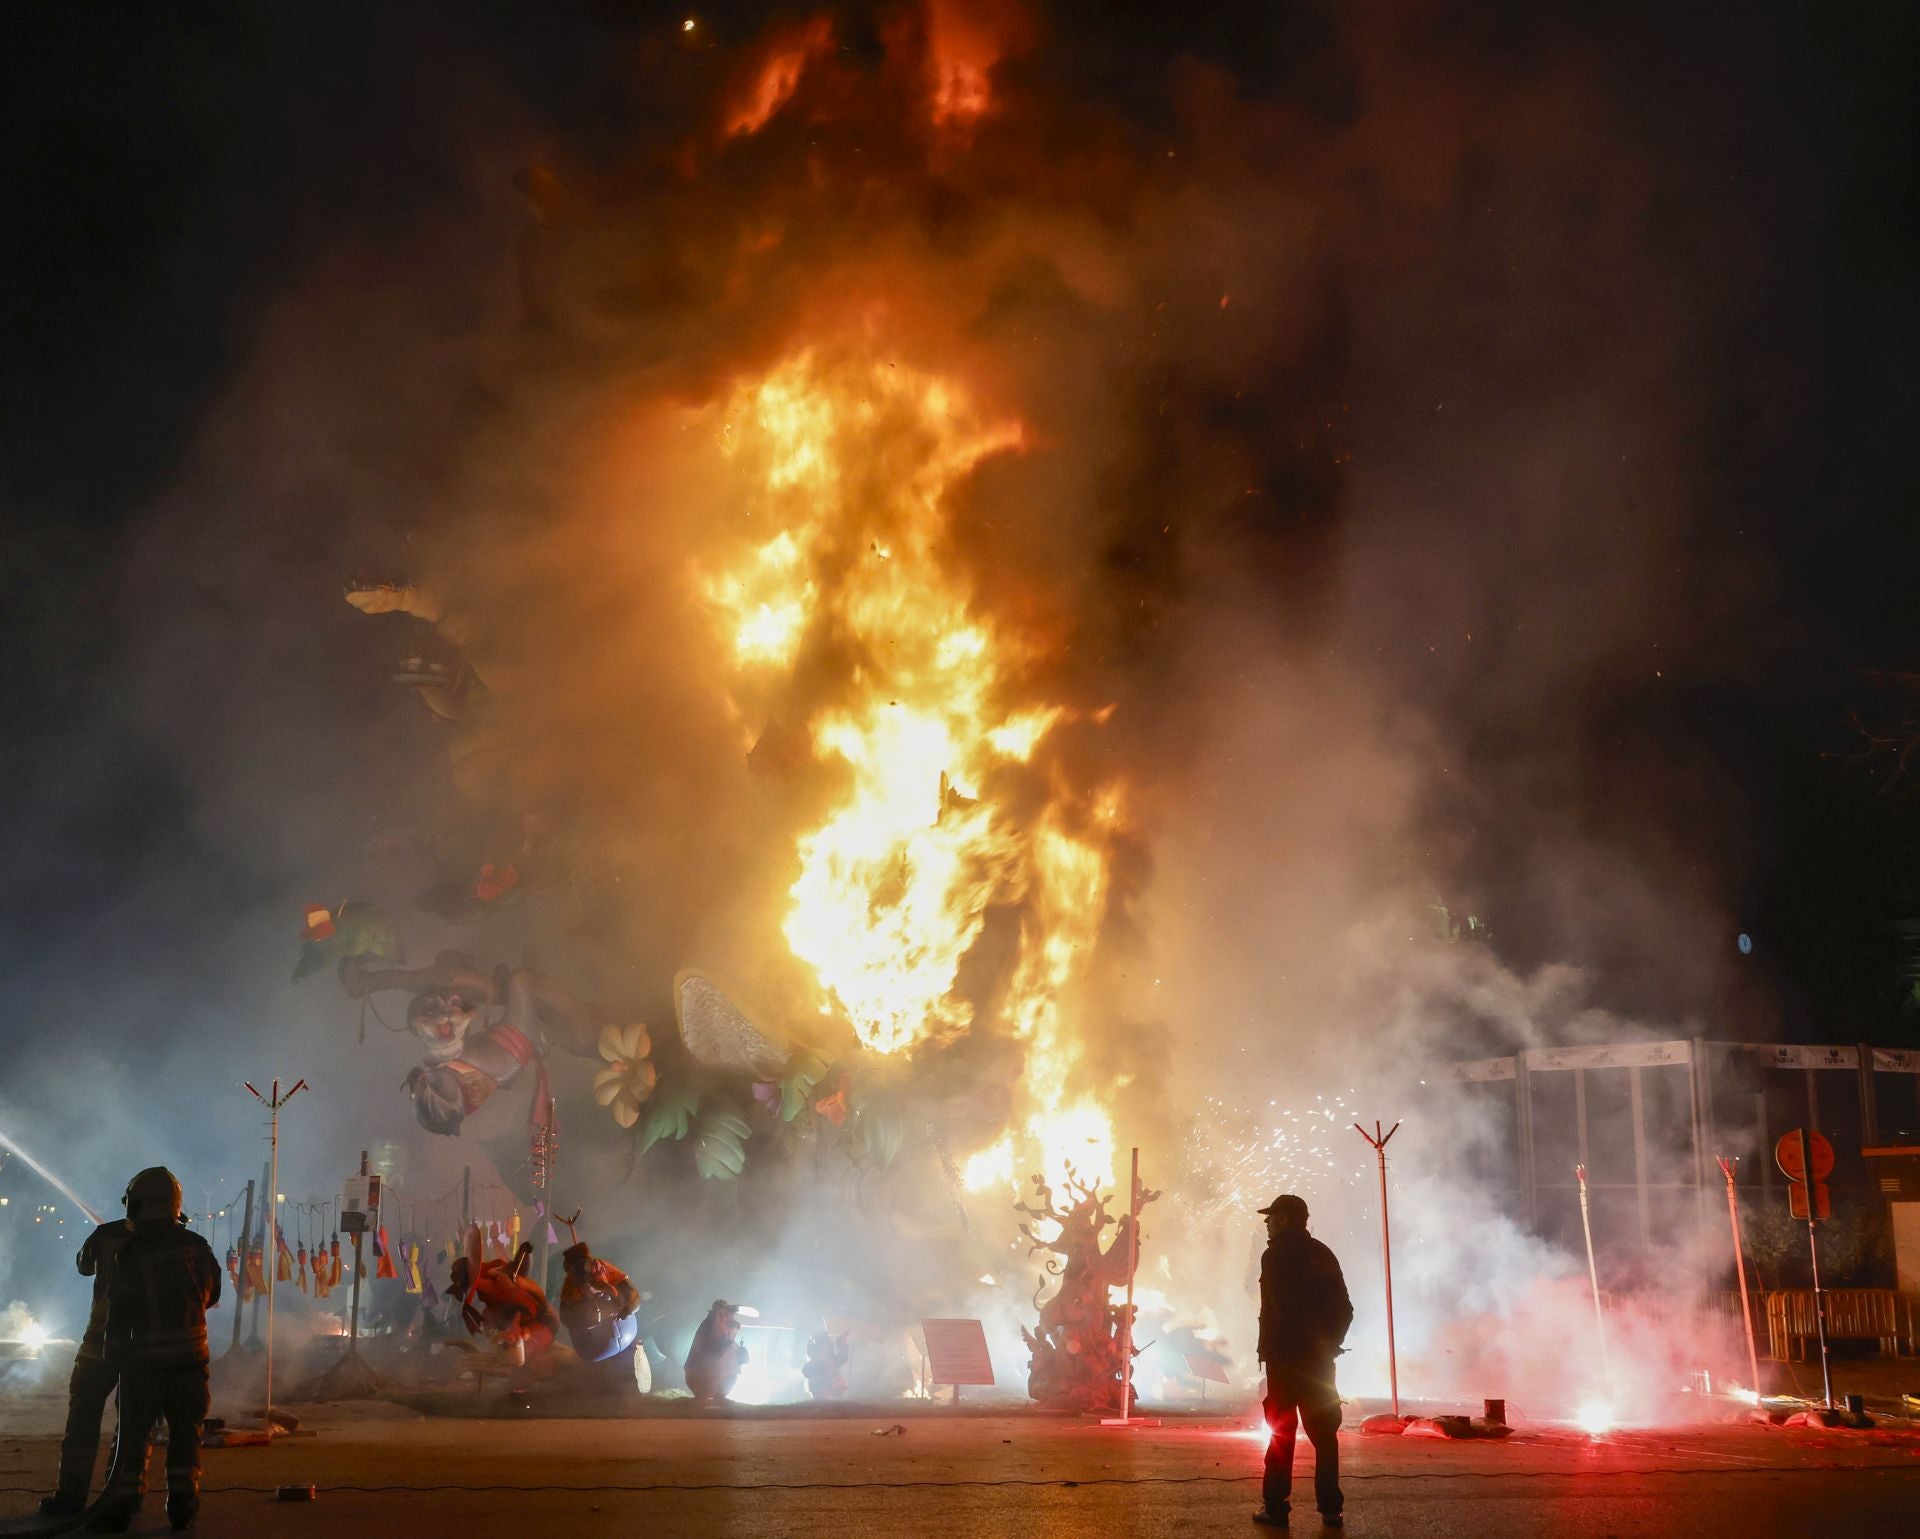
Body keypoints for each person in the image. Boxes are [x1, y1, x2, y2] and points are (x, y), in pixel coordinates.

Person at [89, 1167, 222, 1534]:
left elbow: (120, 1310)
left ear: (139, 1205)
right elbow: (213, 1296)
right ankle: (183, 1505)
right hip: (192, 1364)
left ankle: (121, 1505)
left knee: (132, 1438)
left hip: (144, 1365)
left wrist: (113, 1352)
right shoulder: (197, 1247)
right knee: (186, 1435)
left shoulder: (133, 1252)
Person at [1253, 1194, 1352, 1530]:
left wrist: (1300, 1345)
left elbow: (1283, 1310)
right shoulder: (1322, 1254)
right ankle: (1330, 1510)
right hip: (1320, 1364)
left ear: (1283, 1220)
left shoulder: (1274, 1256)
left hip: (1285, 1361)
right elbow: (1345, 1308)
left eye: (1271, 1218)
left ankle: (1276, 1507)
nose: (1267, 1223)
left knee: (1282, 1433)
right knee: (1325, 1437)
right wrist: (1328, 1343)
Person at [37, 1202, 134, 1516]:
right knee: (134, 1424)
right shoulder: (179, 1239)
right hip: (142, 1345)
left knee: (82, 1419)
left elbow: (83, 1266)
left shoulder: (106, 1234)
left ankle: (70, 1497)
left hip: (100, 1341)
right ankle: (122, 1497)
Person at [557, 1241, 642, 1387]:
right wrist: (587, 1320)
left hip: (625, 1333)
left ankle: (629, 1381)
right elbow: (567, 1317)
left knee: (627, 1365)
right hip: (596, 1346)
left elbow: (632, 1294)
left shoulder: (608, 1271)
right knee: (600, 1378)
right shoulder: (571, 1290)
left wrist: (630, 1307)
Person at [683, 1300, 748, 1402]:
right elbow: (711, 1351)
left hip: (714, 1380)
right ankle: (705, 1396)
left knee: (731, 1354)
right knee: (730, 1353)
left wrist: (740, 1353)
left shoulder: (728, 1340)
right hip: (700, 1378)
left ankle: (720, 1396)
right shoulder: (712, 1325)